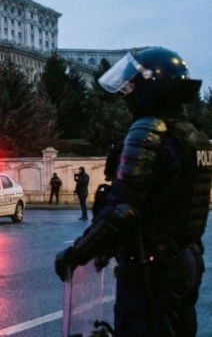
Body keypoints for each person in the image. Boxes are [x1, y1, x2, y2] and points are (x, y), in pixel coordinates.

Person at [54, 47, 212, 336]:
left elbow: (124, 209)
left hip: (151, 269)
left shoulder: (149, 131)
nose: (128, 94)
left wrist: (77, 253)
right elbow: (161, 202)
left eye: (132, 86)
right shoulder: (193, 136)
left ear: (151, 87)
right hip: (186, 261)